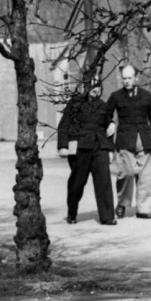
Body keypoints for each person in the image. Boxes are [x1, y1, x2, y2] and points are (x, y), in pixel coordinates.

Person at [104, 64, 151, 220]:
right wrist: (110, 122)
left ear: (136, 78)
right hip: (125, 140)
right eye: (124, 78)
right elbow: (106, 115)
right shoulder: (116, 96)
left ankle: (144, 208)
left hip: (144, 139)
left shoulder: (146, 95)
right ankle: (123, 204)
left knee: (146, 177)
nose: (127, 81)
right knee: (127, 172)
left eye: (130, 78)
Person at [57, 81, 117, 225]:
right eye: (92, 86)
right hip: (80, 148)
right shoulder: (75, 103)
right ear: (85, 87)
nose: (95, 89)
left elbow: (108, 126)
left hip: (99, 147)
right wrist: (63, 146)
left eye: (98, 87)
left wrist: (112, 127)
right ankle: (72, 212)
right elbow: (64, 124)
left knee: (104, 182)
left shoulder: (103, 105)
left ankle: (107, 216)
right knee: (77, 183)